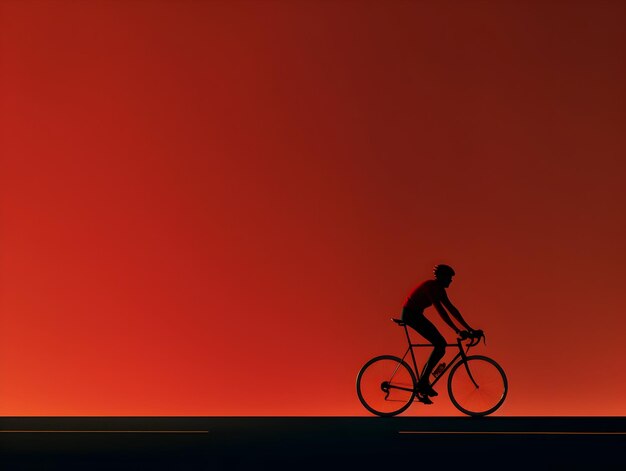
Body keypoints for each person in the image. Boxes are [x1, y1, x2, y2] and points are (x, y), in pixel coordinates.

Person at [401, 264, 480, 404]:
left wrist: (470, 329)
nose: (451, 281)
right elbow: (441, 311)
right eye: (449, 278)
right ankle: (423, 382)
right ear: (442, 277)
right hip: (410, 315)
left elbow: (452, 310)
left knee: (440, 345)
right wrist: (456, 330)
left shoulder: (440, 290)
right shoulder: (431, 287)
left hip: (416, 314)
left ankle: (423, 383)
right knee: (440, 344)